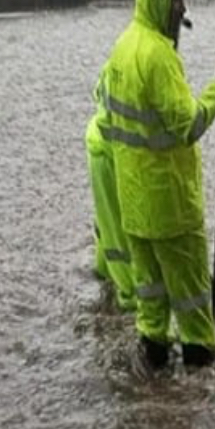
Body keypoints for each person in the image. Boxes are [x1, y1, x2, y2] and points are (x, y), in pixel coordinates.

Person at [97, 0, 215, 375]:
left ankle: (153, 389)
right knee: (195, 308)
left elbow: (108, 113)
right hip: (172, 208)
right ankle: (201, 395)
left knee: (152, 305)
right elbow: (188, 124)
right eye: (177, 1)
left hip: (135, 207)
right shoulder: (158, 57)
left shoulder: (123, 47)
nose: (182, 11)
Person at [85, 77, 136, 313]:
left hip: (98, 144)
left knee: (107, 222)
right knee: (120, 232)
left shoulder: (121, 55)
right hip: (113, 153)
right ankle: (127, 302)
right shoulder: (154, 62)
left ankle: (105, 279)